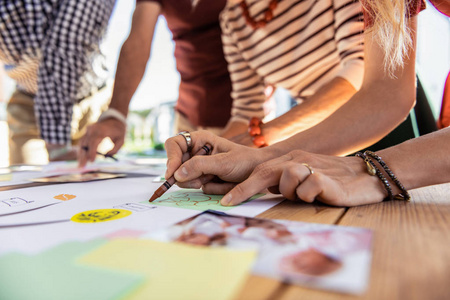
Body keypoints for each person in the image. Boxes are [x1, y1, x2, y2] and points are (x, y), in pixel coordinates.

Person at [163, 0, 450, 207]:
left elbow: (362, 76)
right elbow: (385, 94)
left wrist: (266, 141)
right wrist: (220, 154)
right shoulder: (232, 19)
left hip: (386, 129)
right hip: (331, 132)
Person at [77, 0, 233, 167]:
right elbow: (139, 39)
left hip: (245, 117)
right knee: (186, 183)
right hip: (188, 116)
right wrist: (116, 113)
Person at [219, 0, 367, 148]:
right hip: (324, 137)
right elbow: (246, 111)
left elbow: (360, 69)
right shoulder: (231, 19)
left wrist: (268, 132)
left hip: (371, 125)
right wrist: (206, 152)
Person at [0, 0, 116, 165]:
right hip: (29, 104)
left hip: (93, 108)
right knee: (29, 186)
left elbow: (65, 48)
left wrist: (57, 146)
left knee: (99, 185)